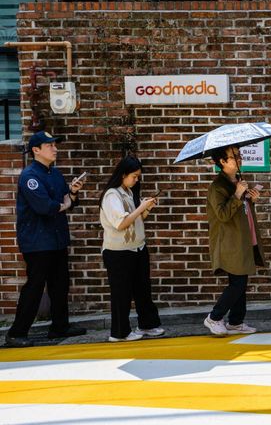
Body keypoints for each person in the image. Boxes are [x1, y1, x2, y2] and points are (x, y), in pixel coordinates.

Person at [6, 131, 87, 347]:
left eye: (54, 145)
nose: (55, 148)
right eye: (50, 145)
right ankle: (16, 333)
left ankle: (60, 327)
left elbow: (66, 200)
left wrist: (73, 193)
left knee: (60, 285)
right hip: (37, 242)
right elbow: (45, 207)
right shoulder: (30, 176)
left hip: (57, 238)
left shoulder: (55, 173)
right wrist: (66, 203)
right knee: (35, 286)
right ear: (36, 150)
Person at [99, 155, 165, 342]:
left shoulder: (127, 192)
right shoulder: (112, 195)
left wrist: (146, 209)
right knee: (121, 293)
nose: (137, 180)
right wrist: (140, 207)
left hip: (137, 248)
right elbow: (121, 223)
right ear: (123, 174)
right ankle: (119, 333)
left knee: (143, 289)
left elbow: (134, 221)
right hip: (118, 252)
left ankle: (148, 324)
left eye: (138, 177)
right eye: (134, 176)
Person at [203, 146, 264, 336]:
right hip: (229, 241)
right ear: (222, 161)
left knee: (241, 280)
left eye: (239, 155)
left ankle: (236, 322)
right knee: (237, 283)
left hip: (243, 238)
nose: (239, 159)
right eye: (234, 157)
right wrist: (238, 194)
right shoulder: (218, 186)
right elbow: (222, 215)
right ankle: (214, 317)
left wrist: (251, 199)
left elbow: (241, 209)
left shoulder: (237, 181)